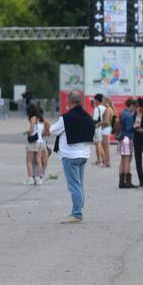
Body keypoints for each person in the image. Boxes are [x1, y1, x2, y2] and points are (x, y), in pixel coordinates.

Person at [49, 91, 95, 223]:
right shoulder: (87, 116)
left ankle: (77, 213)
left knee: (74, 186)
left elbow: (53, 130)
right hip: (84, 154)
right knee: (79, 184)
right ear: (80, 101)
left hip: (70, 155)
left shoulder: (66, 117)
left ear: (70, 102)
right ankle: (78, 207)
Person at [117, 98, 137, 188]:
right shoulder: (129, 115)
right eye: (134, 107)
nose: (135, 109)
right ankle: (127, 182)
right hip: (128, 138)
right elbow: (129, 128)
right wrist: (136, 127)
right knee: (127, 160)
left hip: (121, 138)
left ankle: (121, 182)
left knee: (122, 160)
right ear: (131, 106)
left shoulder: (122, 113)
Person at [24, 104, 44, 185]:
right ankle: (38, 178)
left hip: (33, 142)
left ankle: (30, 178)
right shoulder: (40, 119)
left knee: (29, 161)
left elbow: (31, 130)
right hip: (40, 141)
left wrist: (26, 132)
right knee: (39, 161)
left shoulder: (33, 118)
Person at [133, 97, 143, 187]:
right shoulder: (135, 113)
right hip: (137, 138)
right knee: (138, 160)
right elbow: (133, 125)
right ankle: (141, 180)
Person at [91, 94, 108, 167]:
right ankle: (103, 159)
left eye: (94, 100)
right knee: (99, 144)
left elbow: (94, 119)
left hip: (97, 127)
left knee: (97, 144)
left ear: (97, 100)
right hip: (103, 127)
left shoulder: (96, 108)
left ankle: (100, 160)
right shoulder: (104, 107)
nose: (94, 101)